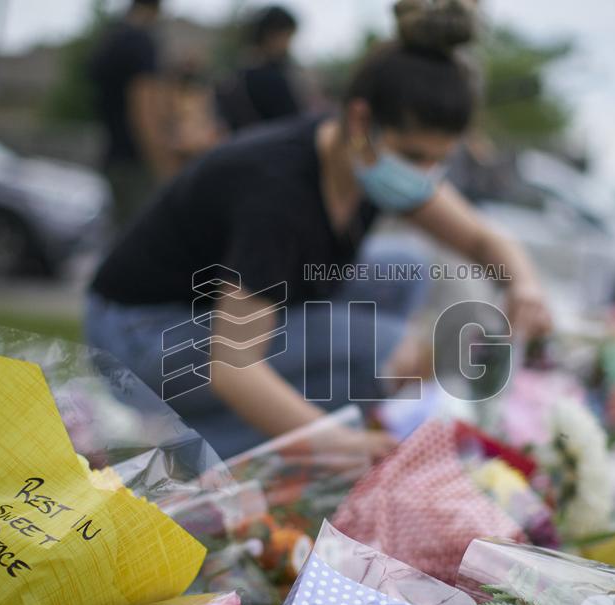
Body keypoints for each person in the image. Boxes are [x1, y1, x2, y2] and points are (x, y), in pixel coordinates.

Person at [86, 0, 551, 459]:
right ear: (360, 120)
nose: (424, 176)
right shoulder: (279, 195)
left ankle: (314, 414)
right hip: (139, 337)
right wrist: (338, 443)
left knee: (406, 270)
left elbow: (482, 238)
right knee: (382, 346)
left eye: (438, 160)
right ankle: (174, 443)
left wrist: (524, 285)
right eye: (413, 157)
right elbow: (233, 365)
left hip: (209, 316)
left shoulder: (362, 157)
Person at [88, 0, 168, 227]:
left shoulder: (111, 40)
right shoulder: (140, 42)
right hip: (135, 162)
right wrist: (161, 164)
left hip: (113, 156)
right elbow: (143, 109)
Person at [215, 5, 303, 132]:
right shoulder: (271, 78)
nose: (288, 45)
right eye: (287, 37)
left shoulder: (237, 75)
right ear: (271, 35)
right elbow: (292, 124)